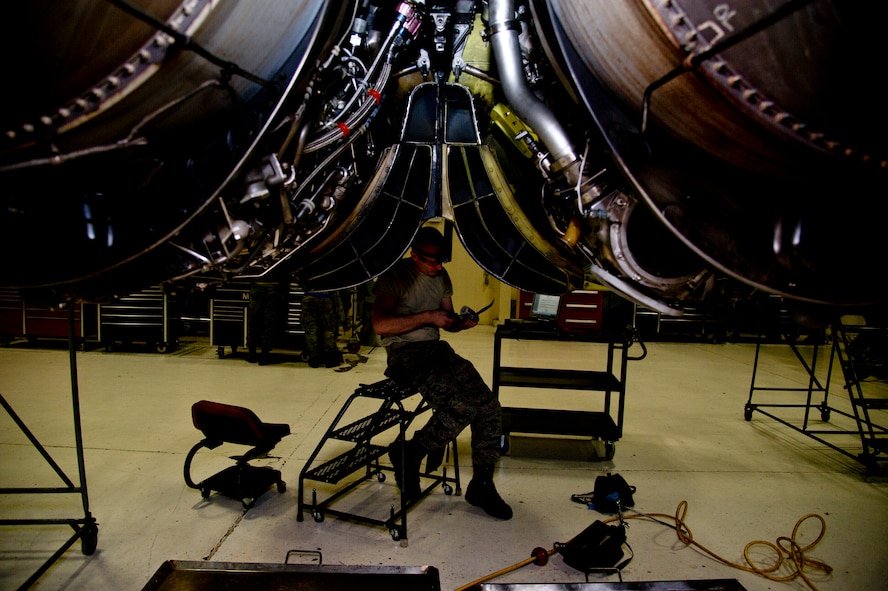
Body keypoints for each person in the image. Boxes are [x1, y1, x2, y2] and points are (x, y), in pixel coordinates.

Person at [372, 226, 512, 520]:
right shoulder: (394, 276)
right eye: (431, 261)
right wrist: (428, 317)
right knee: (460, 408)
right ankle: (411, 453)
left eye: (441, 261)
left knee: (489, 407)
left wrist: (460, 322)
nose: (437, 266)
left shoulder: (441, 277)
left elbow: (447, 320)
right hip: (406, 356)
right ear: (414, 255)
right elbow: (381, 325)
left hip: (436, 351)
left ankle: (482, 484)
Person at [301, 291, 345, 368]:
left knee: (311, 330)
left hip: (309, 296)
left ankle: (313, 358)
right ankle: (329, 358)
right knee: (328, 329)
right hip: (325, 296)